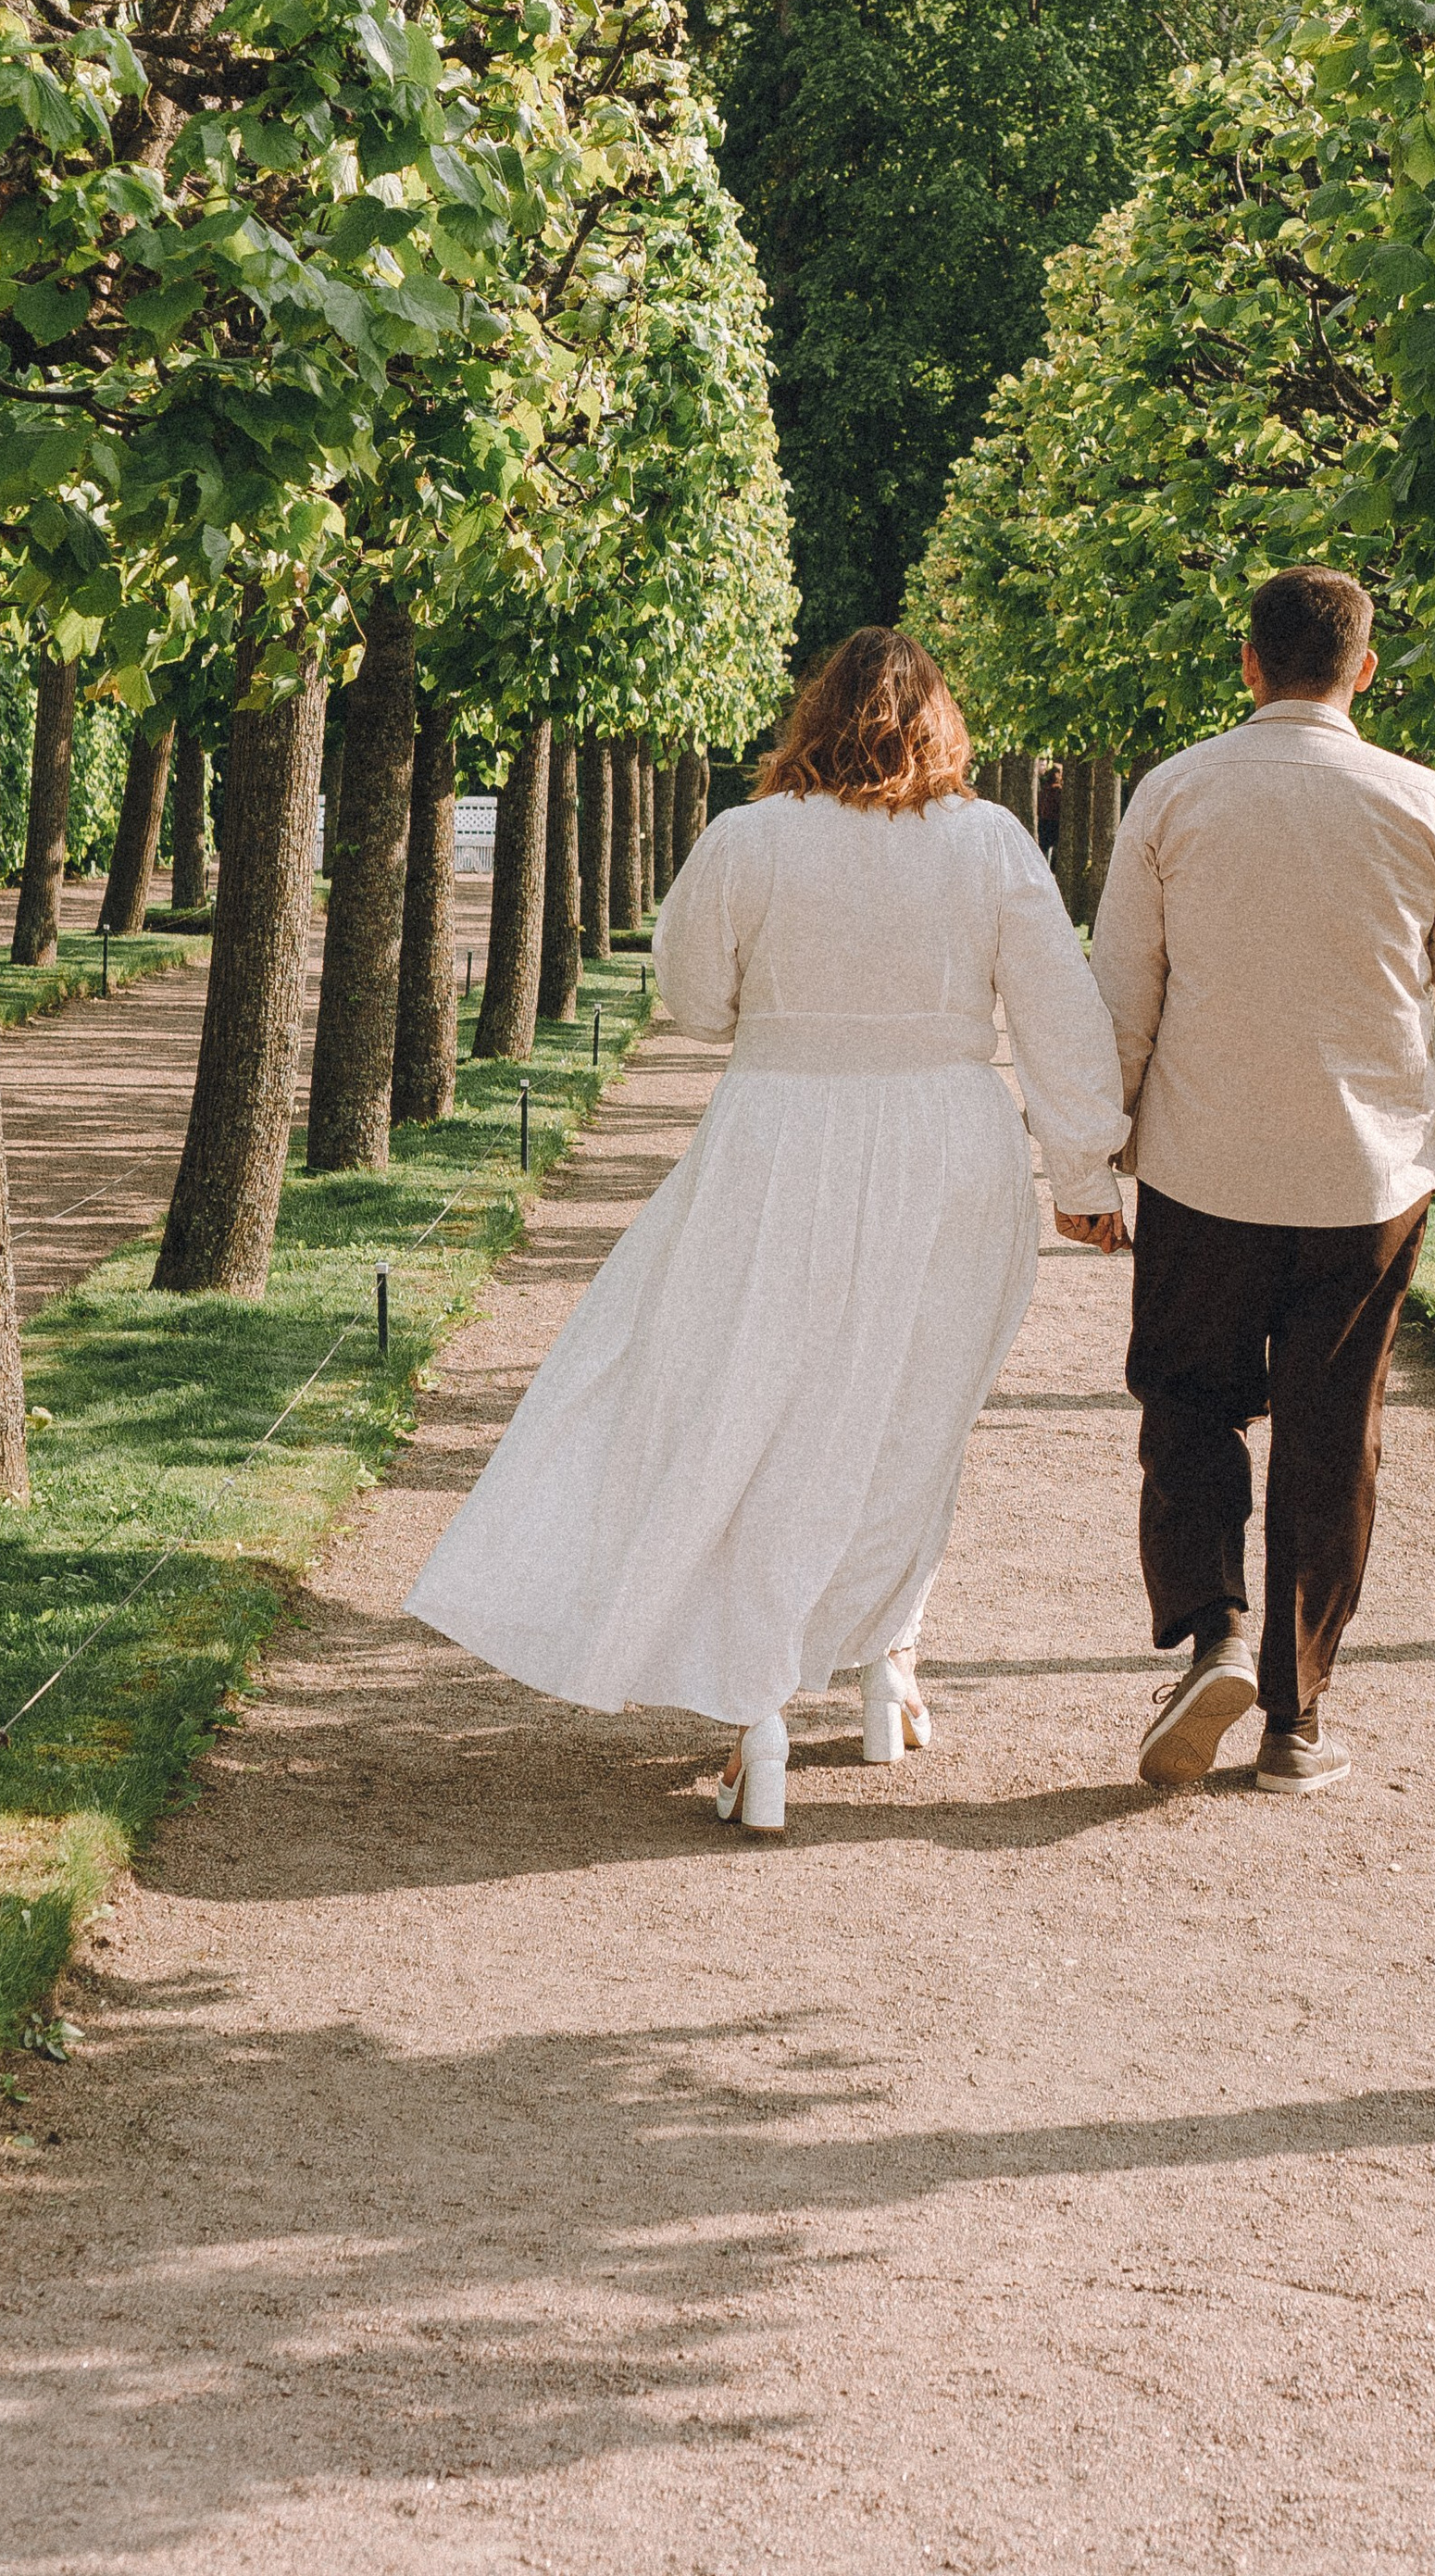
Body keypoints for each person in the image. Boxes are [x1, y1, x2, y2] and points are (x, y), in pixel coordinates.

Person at [406, 629, 1129, 1832]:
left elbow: (692, 1001)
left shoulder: (747, 842)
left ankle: (763, 1714)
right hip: (950, 1146)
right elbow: (1061, 1012)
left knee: (760, 1406)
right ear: (944, 724)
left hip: (780, 1140)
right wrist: (1087, 1169)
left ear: (813, 716)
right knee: (909, 1415)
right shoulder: (991, 842)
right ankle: (882, 1669)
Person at [1079, 567, 1435, 1800]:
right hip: (1367, 1181)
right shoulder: (1427, 805)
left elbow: (1122, 997)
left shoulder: (1173, 794)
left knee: (1187, 1401)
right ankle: (1297, 1721)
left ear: (1247, 663)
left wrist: (1084, 1162)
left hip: (1201, 1168)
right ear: (1364, 671)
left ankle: (1216, 1628)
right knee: (1334, 1439)